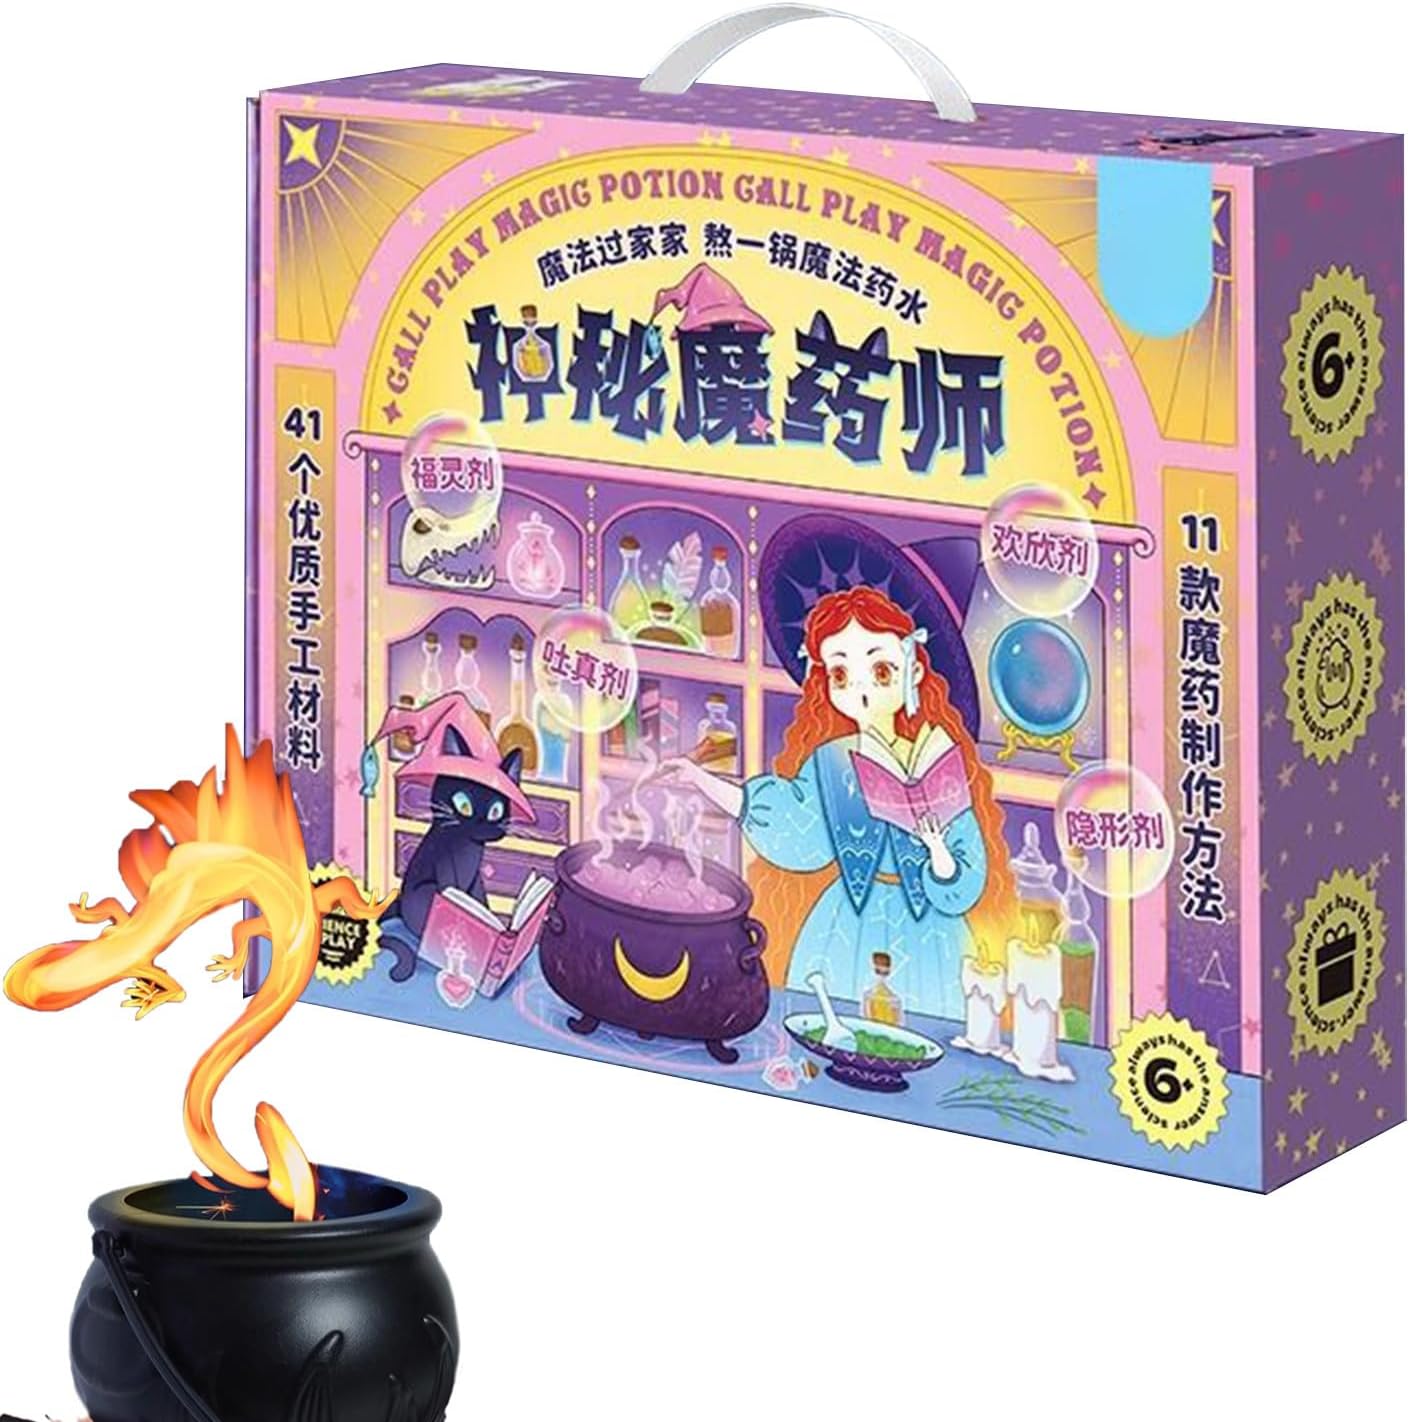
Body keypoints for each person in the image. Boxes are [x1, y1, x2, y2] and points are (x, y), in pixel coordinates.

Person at [659, 586, 1013, 1019]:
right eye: (842, 674)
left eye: (880, 670)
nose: (860, 688)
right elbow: (792, 824)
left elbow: (967, 868)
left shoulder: (937, 761)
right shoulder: (831, 763)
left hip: (931, 935)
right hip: (847, 924)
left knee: (925, 1024)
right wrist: (699, 778)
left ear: (914, 670)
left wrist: (939, 855)